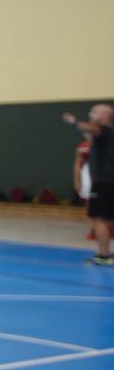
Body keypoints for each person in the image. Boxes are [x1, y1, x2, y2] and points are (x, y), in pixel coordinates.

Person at [64, 104, 114, 265]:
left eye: (94, 112)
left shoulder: (103, 130)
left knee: (99, 218)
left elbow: (89, 128)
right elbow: (89, 132)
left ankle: (103, 255)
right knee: (108, 219)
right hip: (108, 182)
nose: (90, 114)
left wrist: (74, 121)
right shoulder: (105, 135)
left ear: (104, 116)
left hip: (103, 183)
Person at [75, 138, 96, 240]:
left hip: (107, 176)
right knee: (90, 203)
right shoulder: (83, 147)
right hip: (90, 176)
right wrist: (77, 181)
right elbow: (77, 164)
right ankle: (93, 229)